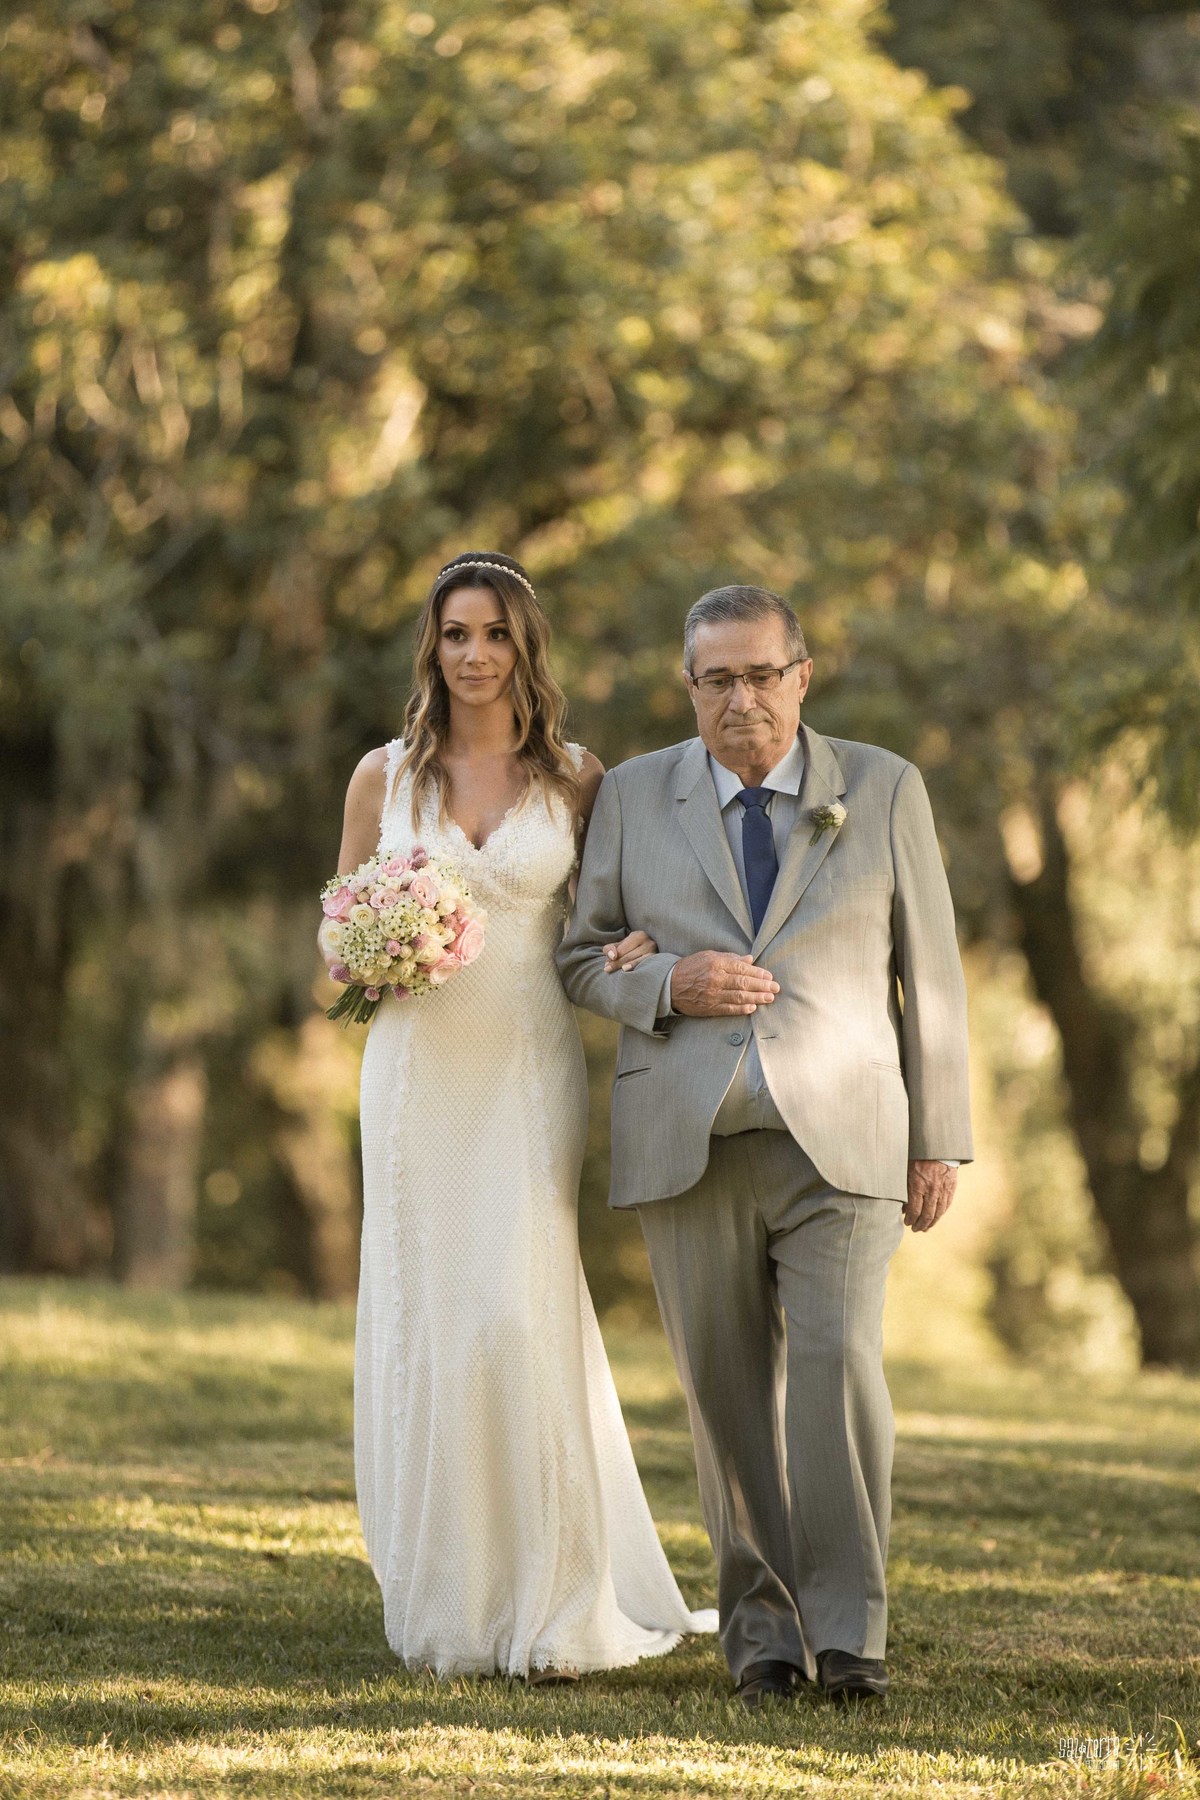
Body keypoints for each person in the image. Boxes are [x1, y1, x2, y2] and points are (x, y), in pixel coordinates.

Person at [557, 584, 973, 1707]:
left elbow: (928, 970)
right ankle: (764, 1643)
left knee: (837, 1377)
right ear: (688, 688)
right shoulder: (637, 795)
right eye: (717, 679)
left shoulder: (882, 788)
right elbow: (580, 957)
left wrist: (939, 1136)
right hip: (685, 1137)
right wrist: (667, 982)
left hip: (845, 1139)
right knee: (726, 1395)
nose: (741, 698)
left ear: (802, 675)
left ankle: (850, 1639)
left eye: (761, 674)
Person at [322, 550, 716, 1682]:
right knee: (434, 1317)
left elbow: (617, 921)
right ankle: (449, 1594)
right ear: (432, 647)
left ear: (524, 647)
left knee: (513, 1310)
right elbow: (330, 934)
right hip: (414, 1072)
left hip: (526, 1070)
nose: (476, 655)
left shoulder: (577, 780)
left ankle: (552, 1598)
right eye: (456, 634)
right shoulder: (381, 779)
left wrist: (644, 947)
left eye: (496, 634)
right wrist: (368, 944)